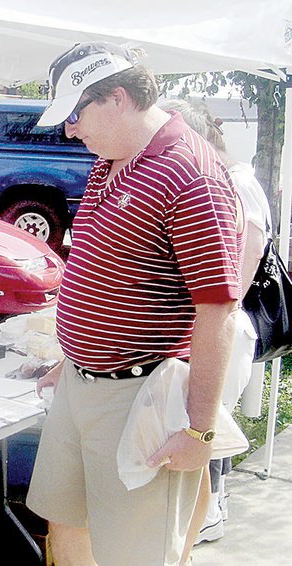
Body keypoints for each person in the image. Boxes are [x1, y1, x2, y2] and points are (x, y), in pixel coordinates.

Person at [24, 42, 242, 565]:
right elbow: (106, 270)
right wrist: (72, 357)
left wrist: (198, 430)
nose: (69, 130)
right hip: (82, 382)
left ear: (117, 99)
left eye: (75, 115)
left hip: (140, 393)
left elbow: (218, 311)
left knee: (134, 553)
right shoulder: (111, 160)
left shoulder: (191, 174)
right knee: (64, 520)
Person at [159, 98, 272, 554]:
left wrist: (207, 318)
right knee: (210, 424)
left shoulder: (231, 182)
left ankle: (209, 516)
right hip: (220, 327)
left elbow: (238, 271)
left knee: (207, 427)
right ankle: (207, 515)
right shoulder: (233, 178)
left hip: (223, 329)